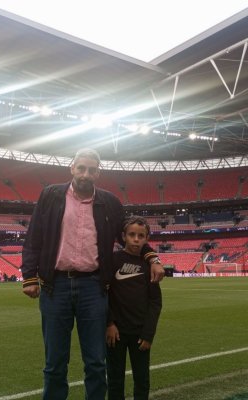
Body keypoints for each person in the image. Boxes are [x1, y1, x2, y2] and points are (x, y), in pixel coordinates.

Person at [21, 148, 164, 400]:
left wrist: (152, 257)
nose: (86, 174)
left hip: (93, 287)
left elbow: (129, 234)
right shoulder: (51, 195)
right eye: (81, 168)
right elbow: (35, 236)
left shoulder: (110, 202)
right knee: (54, 362)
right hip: (56, 286)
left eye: (92, 170)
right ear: (72, 168)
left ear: (98, 173)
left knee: (96, 362)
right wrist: (29, 277)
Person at [106, 216, 162, 400]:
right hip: (115, 333)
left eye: (141, 236)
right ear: (123, 236)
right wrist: (109, 323)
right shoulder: (112, 260)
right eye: (131, 235)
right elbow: (103, 294)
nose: (136, 239)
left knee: (142, 379)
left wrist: (148, 334)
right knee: (115, 379)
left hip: (140, 334)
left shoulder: (149, 265)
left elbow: (155, 301)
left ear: (147, 239)